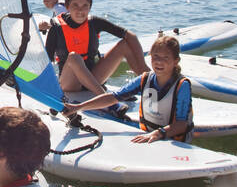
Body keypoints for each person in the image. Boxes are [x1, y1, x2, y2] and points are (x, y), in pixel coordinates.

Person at [64, 33, 193, 143]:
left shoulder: (182, 85)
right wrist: (78, 107)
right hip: (148, 135)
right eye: (156, 57)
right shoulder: (144, 79)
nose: (159, 62)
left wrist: (158, 134)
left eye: (165, 58)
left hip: (173, 141)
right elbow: (113, 97)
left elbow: (181, 125)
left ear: (176, 61)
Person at [44, 0, 147, 94]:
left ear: (90, 7)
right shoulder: (56, 28)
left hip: (94, 77)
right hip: (71, 83)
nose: (80, 10)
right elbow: (45, 63)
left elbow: (130, 35)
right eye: (75, 5)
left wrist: (143, 66)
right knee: (74, 57)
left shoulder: (94, 22)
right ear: (67, 6)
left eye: (85, 6)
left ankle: (149, 83)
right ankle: (106, 99)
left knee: (125, 45)